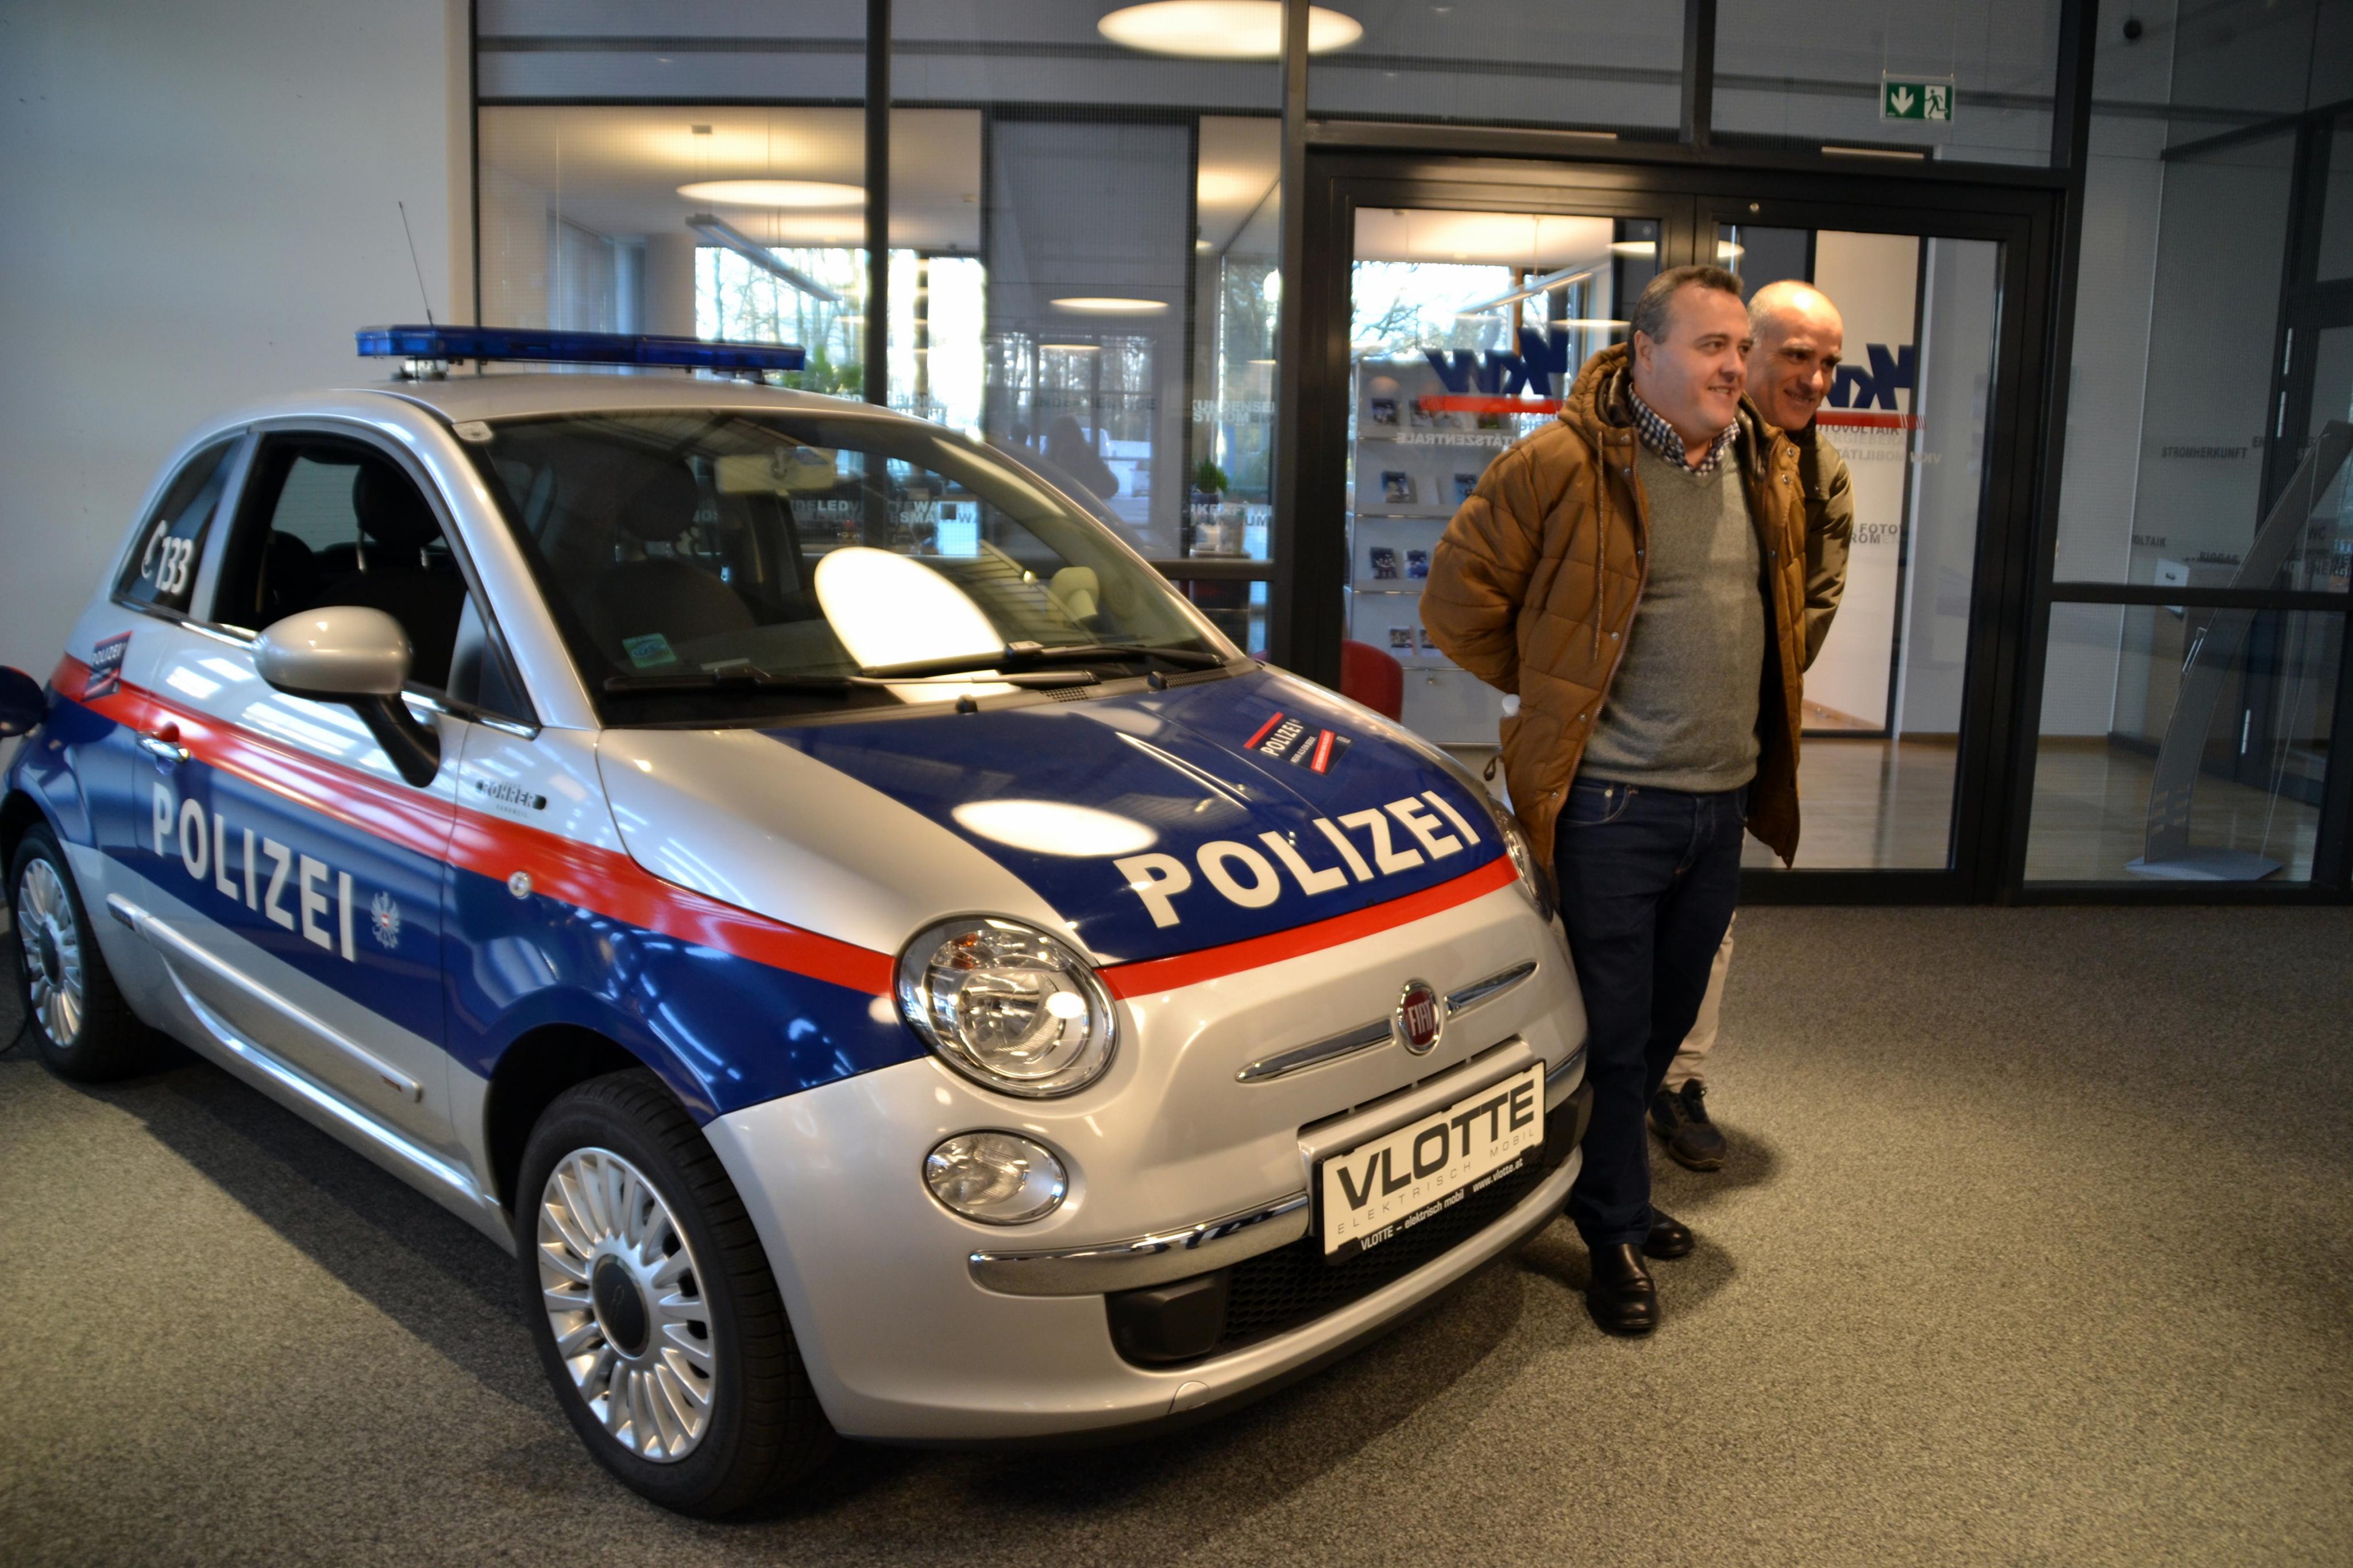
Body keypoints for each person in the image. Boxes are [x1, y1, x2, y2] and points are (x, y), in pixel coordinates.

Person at [1422, 265, 1812, 1337]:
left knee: (1670, 1021)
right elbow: (1455, 602)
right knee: (1615, 1029)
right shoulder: (1561, 461)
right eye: (1711, 345)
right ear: (1645, 352)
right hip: (1611, 806)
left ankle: (1615, 1188)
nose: (1734, 366)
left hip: (1718, 803)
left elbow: (1786, 608)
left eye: (1741, 347)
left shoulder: (1762, 464)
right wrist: (1561, 684)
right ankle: (1611, 1232)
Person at [1649, 279, 1854, 1172]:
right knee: (1604, 916)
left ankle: (1677, 1080)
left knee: (1709, 922)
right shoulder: (1674, 444)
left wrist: (1736, 685)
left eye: (1830, 363)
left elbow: (1810, 615)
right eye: (1797, 356)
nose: (1816, 379)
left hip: (1732, 742)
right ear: (1743, 352)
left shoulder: (1822, 474)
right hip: (1629, 743)